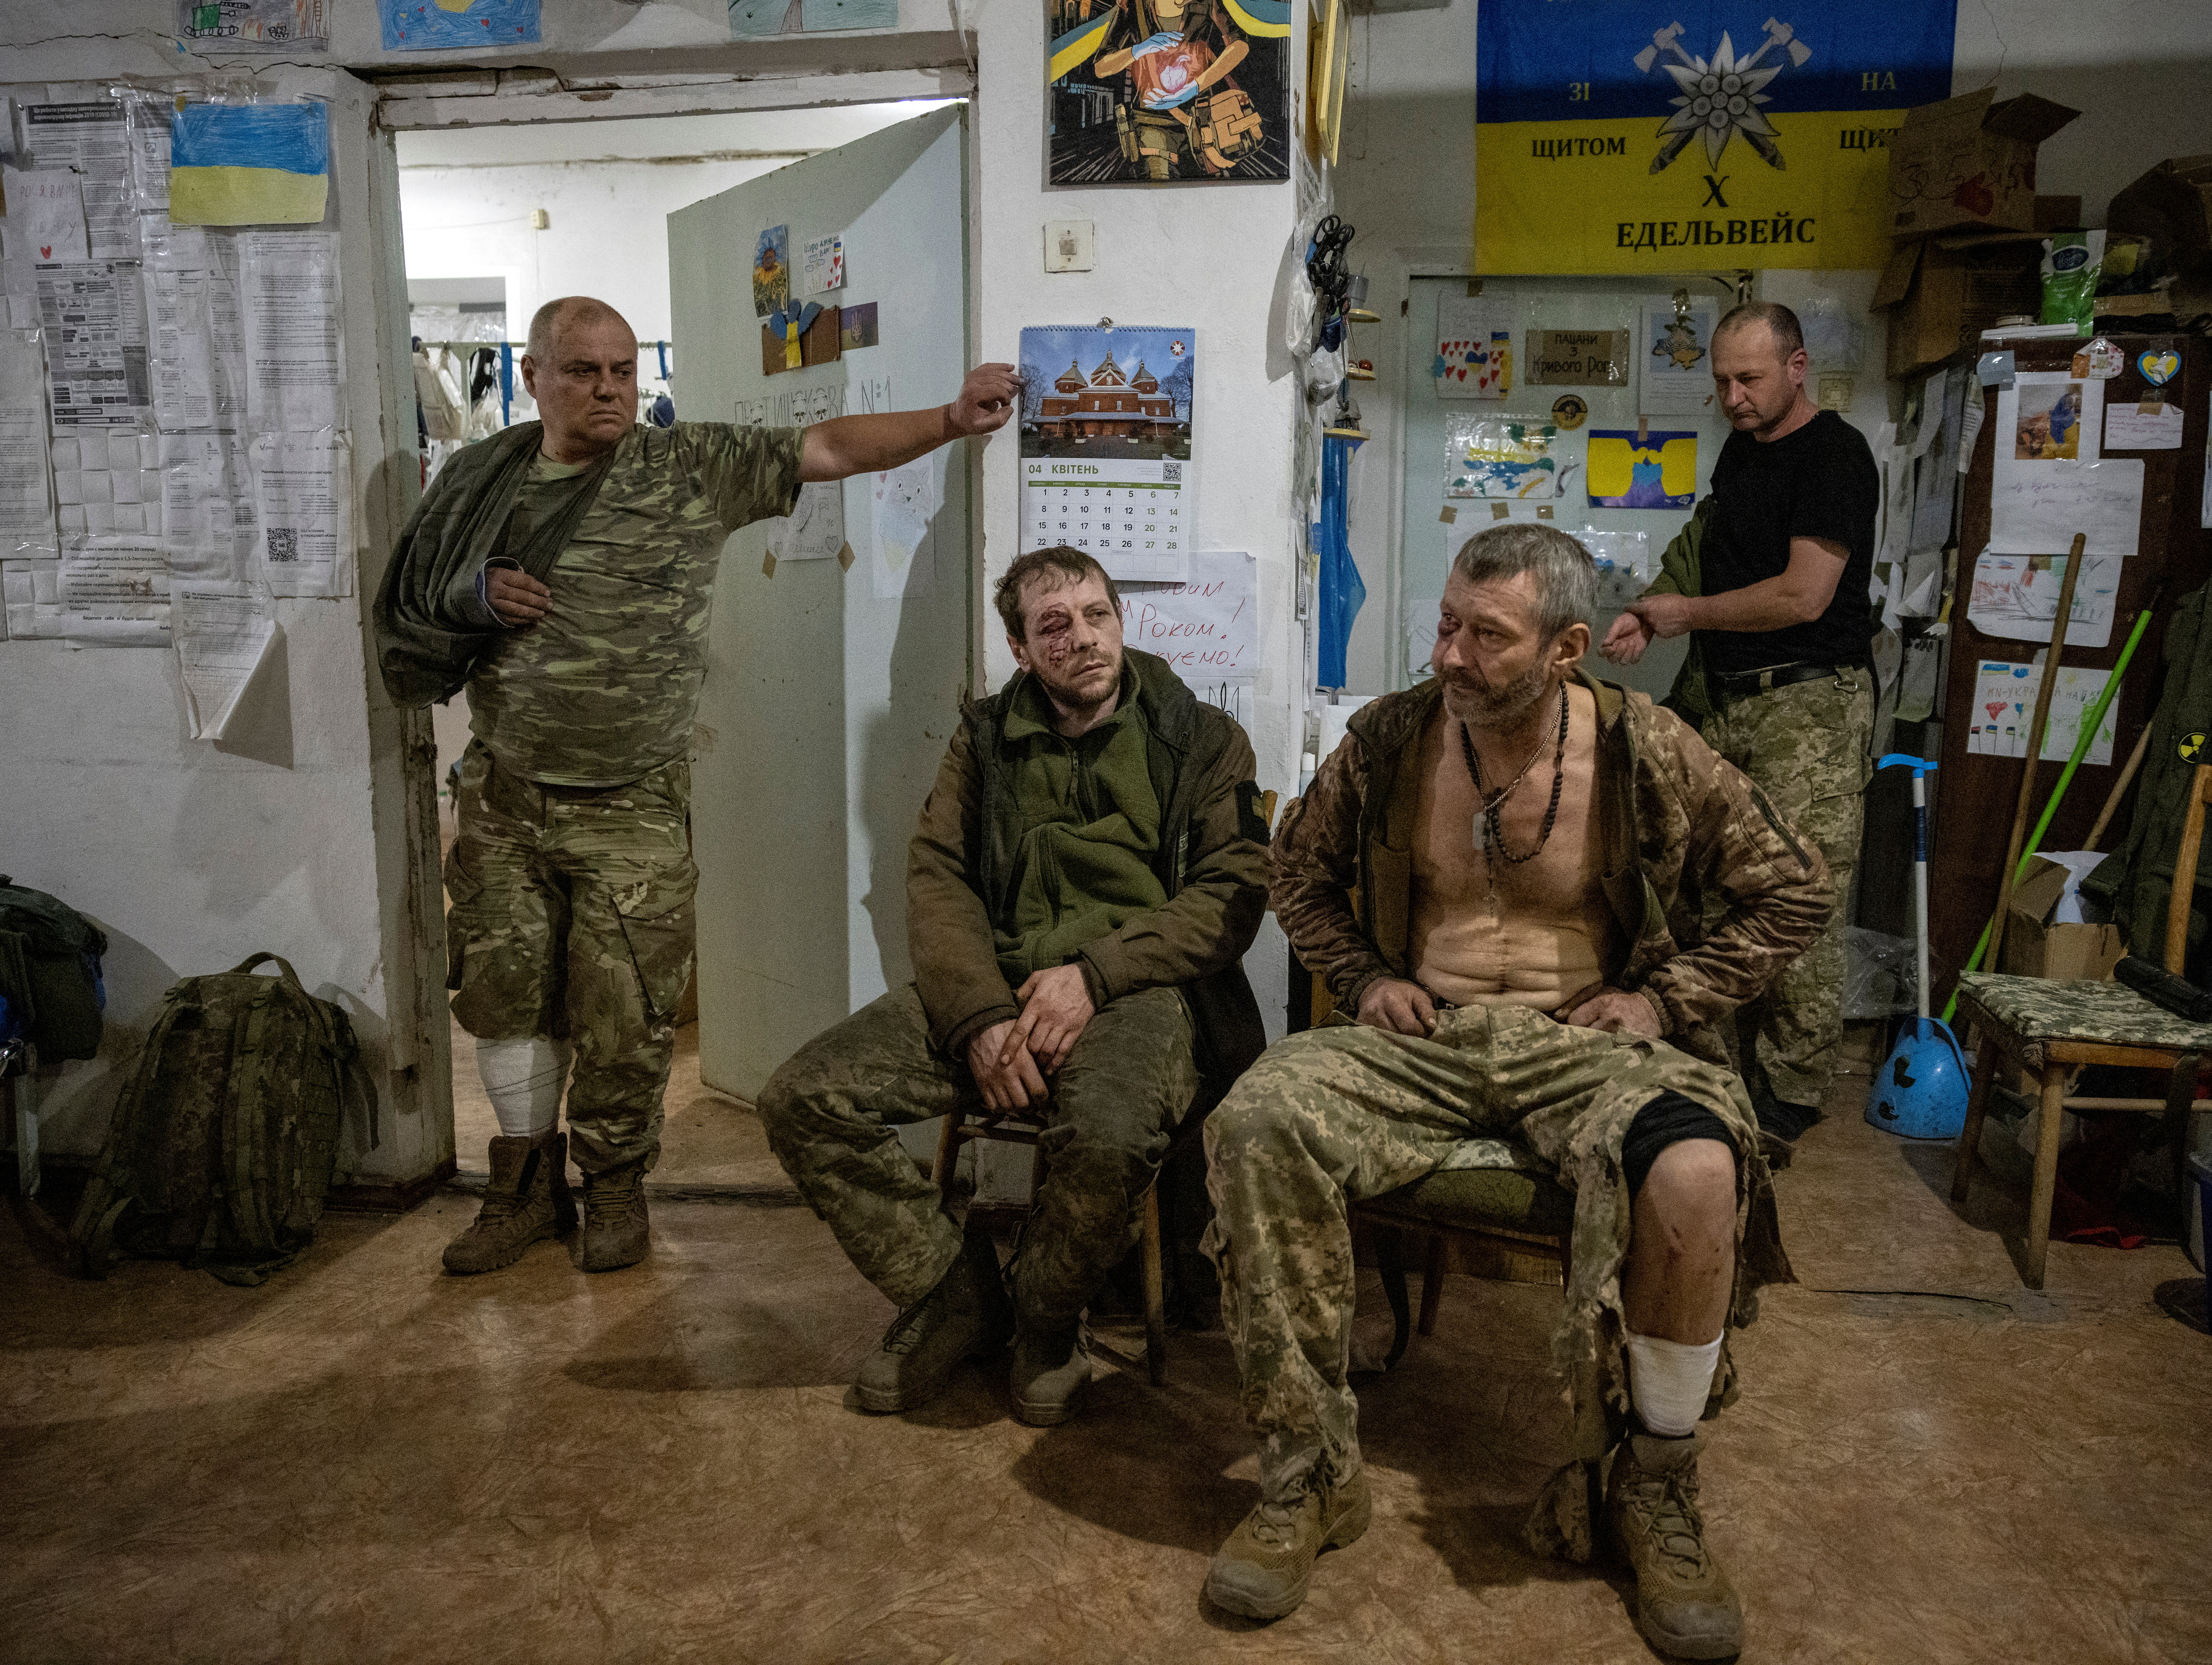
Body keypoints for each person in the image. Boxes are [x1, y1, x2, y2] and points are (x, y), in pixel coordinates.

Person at [1200, 525, 1829, 1659]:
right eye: (1445, 623)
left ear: (1568, 648)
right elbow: (1289, 870)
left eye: (1485, 636)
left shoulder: (1648, 751)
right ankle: (1308, 1469)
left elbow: (1792, 892)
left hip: (1578, 1036)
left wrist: (1665, 999)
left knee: (1694, 1169)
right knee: (1255, 1118)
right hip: (1424, 1035)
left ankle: (1654, 1485)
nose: (1448, 655)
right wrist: (1366, 975)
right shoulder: (1391, 738)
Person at [373, 295, 1022, 1277]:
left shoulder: (683, 466)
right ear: (535, 376)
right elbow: (417, 593)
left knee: (628, 1013)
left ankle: (617, 1189)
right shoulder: (480, 478)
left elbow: (830, 449)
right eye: (583, 371)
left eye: (623, 372)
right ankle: (520, 1190)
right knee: (505, 997)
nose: (607, 390)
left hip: (630, 799)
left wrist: (945, 418)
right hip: (504, 795)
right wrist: (476, 594)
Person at [758, 547, 1268, 1427]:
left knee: (1108, 1135)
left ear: (1121, 620)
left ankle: (1045, 1319)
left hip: (1140, 991)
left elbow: (1229, 893)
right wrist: (979, 1014)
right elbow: (937, 877)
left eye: (1096, 614)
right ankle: (959, 1298)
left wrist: (1095, 976)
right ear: (1020, 647)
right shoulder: (984, 741)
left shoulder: (1198, 738)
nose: (1082, 639)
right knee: (803, 1096)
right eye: (1054, 625)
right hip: (998, 977)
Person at [1601, 300, 1879, 1150]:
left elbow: (1804, 594)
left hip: (1809, 704)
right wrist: (1655, 614)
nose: (1732, 396)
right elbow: (1708, 552)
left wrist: (1690, 614)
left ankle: (1790, 1093)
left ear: (1796, 368)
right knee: (1703, 886)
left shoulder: (1835, 455)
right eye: (1721, 379)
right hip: (1725, 700)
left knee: (1801, 891)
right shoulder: (1737, 453)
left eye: (1749, 379)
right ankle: (1716, 1076)